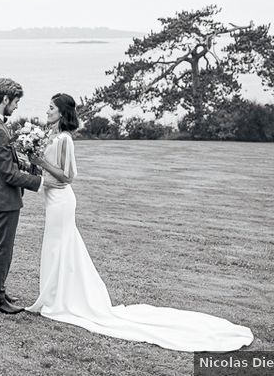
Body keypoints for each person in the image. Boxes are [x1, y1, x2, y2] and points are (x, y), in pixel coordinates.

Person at [25, 93, 254, 352]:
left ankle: (60, 299)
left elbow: (69, 176)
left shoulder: (65, 139)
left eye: (52, 107)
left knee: (59, 246)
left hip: (62, 201)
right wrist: (32, 163)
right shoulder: (50, 137)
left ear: (62, 113)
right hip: (50, 198)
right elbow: (45, 171)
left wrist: (40, 161)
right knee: (58, 247)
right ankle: (56, 295)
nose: (47, 110)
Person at [0, 78, 45, 314]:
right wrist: (41, 182)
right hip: (4, 197)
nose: (16, 107)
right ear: (5, 99)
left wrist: (16, 157)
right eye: (15, 102)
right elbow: (9, 175)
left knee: (2, 246)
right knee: (3, 248)